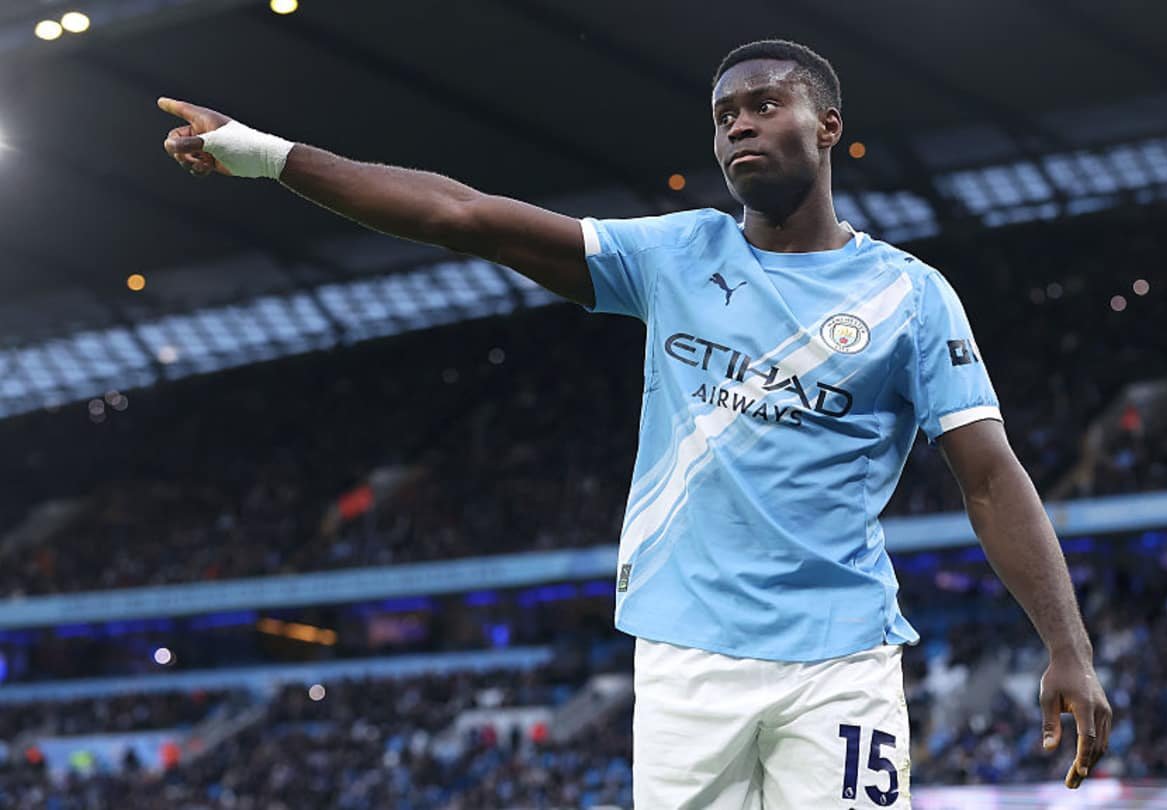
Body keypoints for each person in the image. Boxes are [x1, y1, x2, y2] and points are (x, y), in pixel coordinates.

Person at [159, 38, 1111, 809]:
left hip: (842, 657)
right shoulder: (674, 253)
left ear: (827, 127)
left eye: (764, 104)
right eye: (724, 116)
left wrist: (1065, 645)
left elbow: (989, 476)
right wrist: (271, 157)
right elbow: (465, 216)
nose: (739, 124)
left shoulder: (910, 295)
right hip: (687, 653)